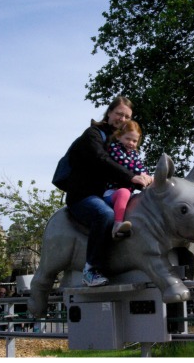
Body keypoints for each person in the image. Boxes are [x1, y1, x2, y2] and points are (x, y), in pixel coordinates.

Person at [62, 96, 154, 287]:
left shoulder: (122, 144)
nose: (122, 119)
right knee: (105, 214)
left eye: (127, 116)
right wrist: (131, 178)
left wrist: (147, 177)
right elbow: (101, 159)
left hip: (108, 194)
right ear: (109, 112)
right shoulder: (93, 135)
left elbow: (132, 164)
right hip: (84, 196)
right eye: (119, 113)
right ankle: (90, 270)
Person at [103, 119, 148, 239]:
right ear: (119, 136)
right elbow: (125, 164)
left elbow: (141, 167)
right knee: (124, 192)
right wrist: (141, 174)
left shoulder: (134, 154)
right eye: (128, 139)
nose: (131, 143)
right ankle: (117, 224)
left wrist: (147, 176)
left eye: (134, 140)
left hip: (128, 195)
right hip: (112, 194)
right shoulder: (114, 149)